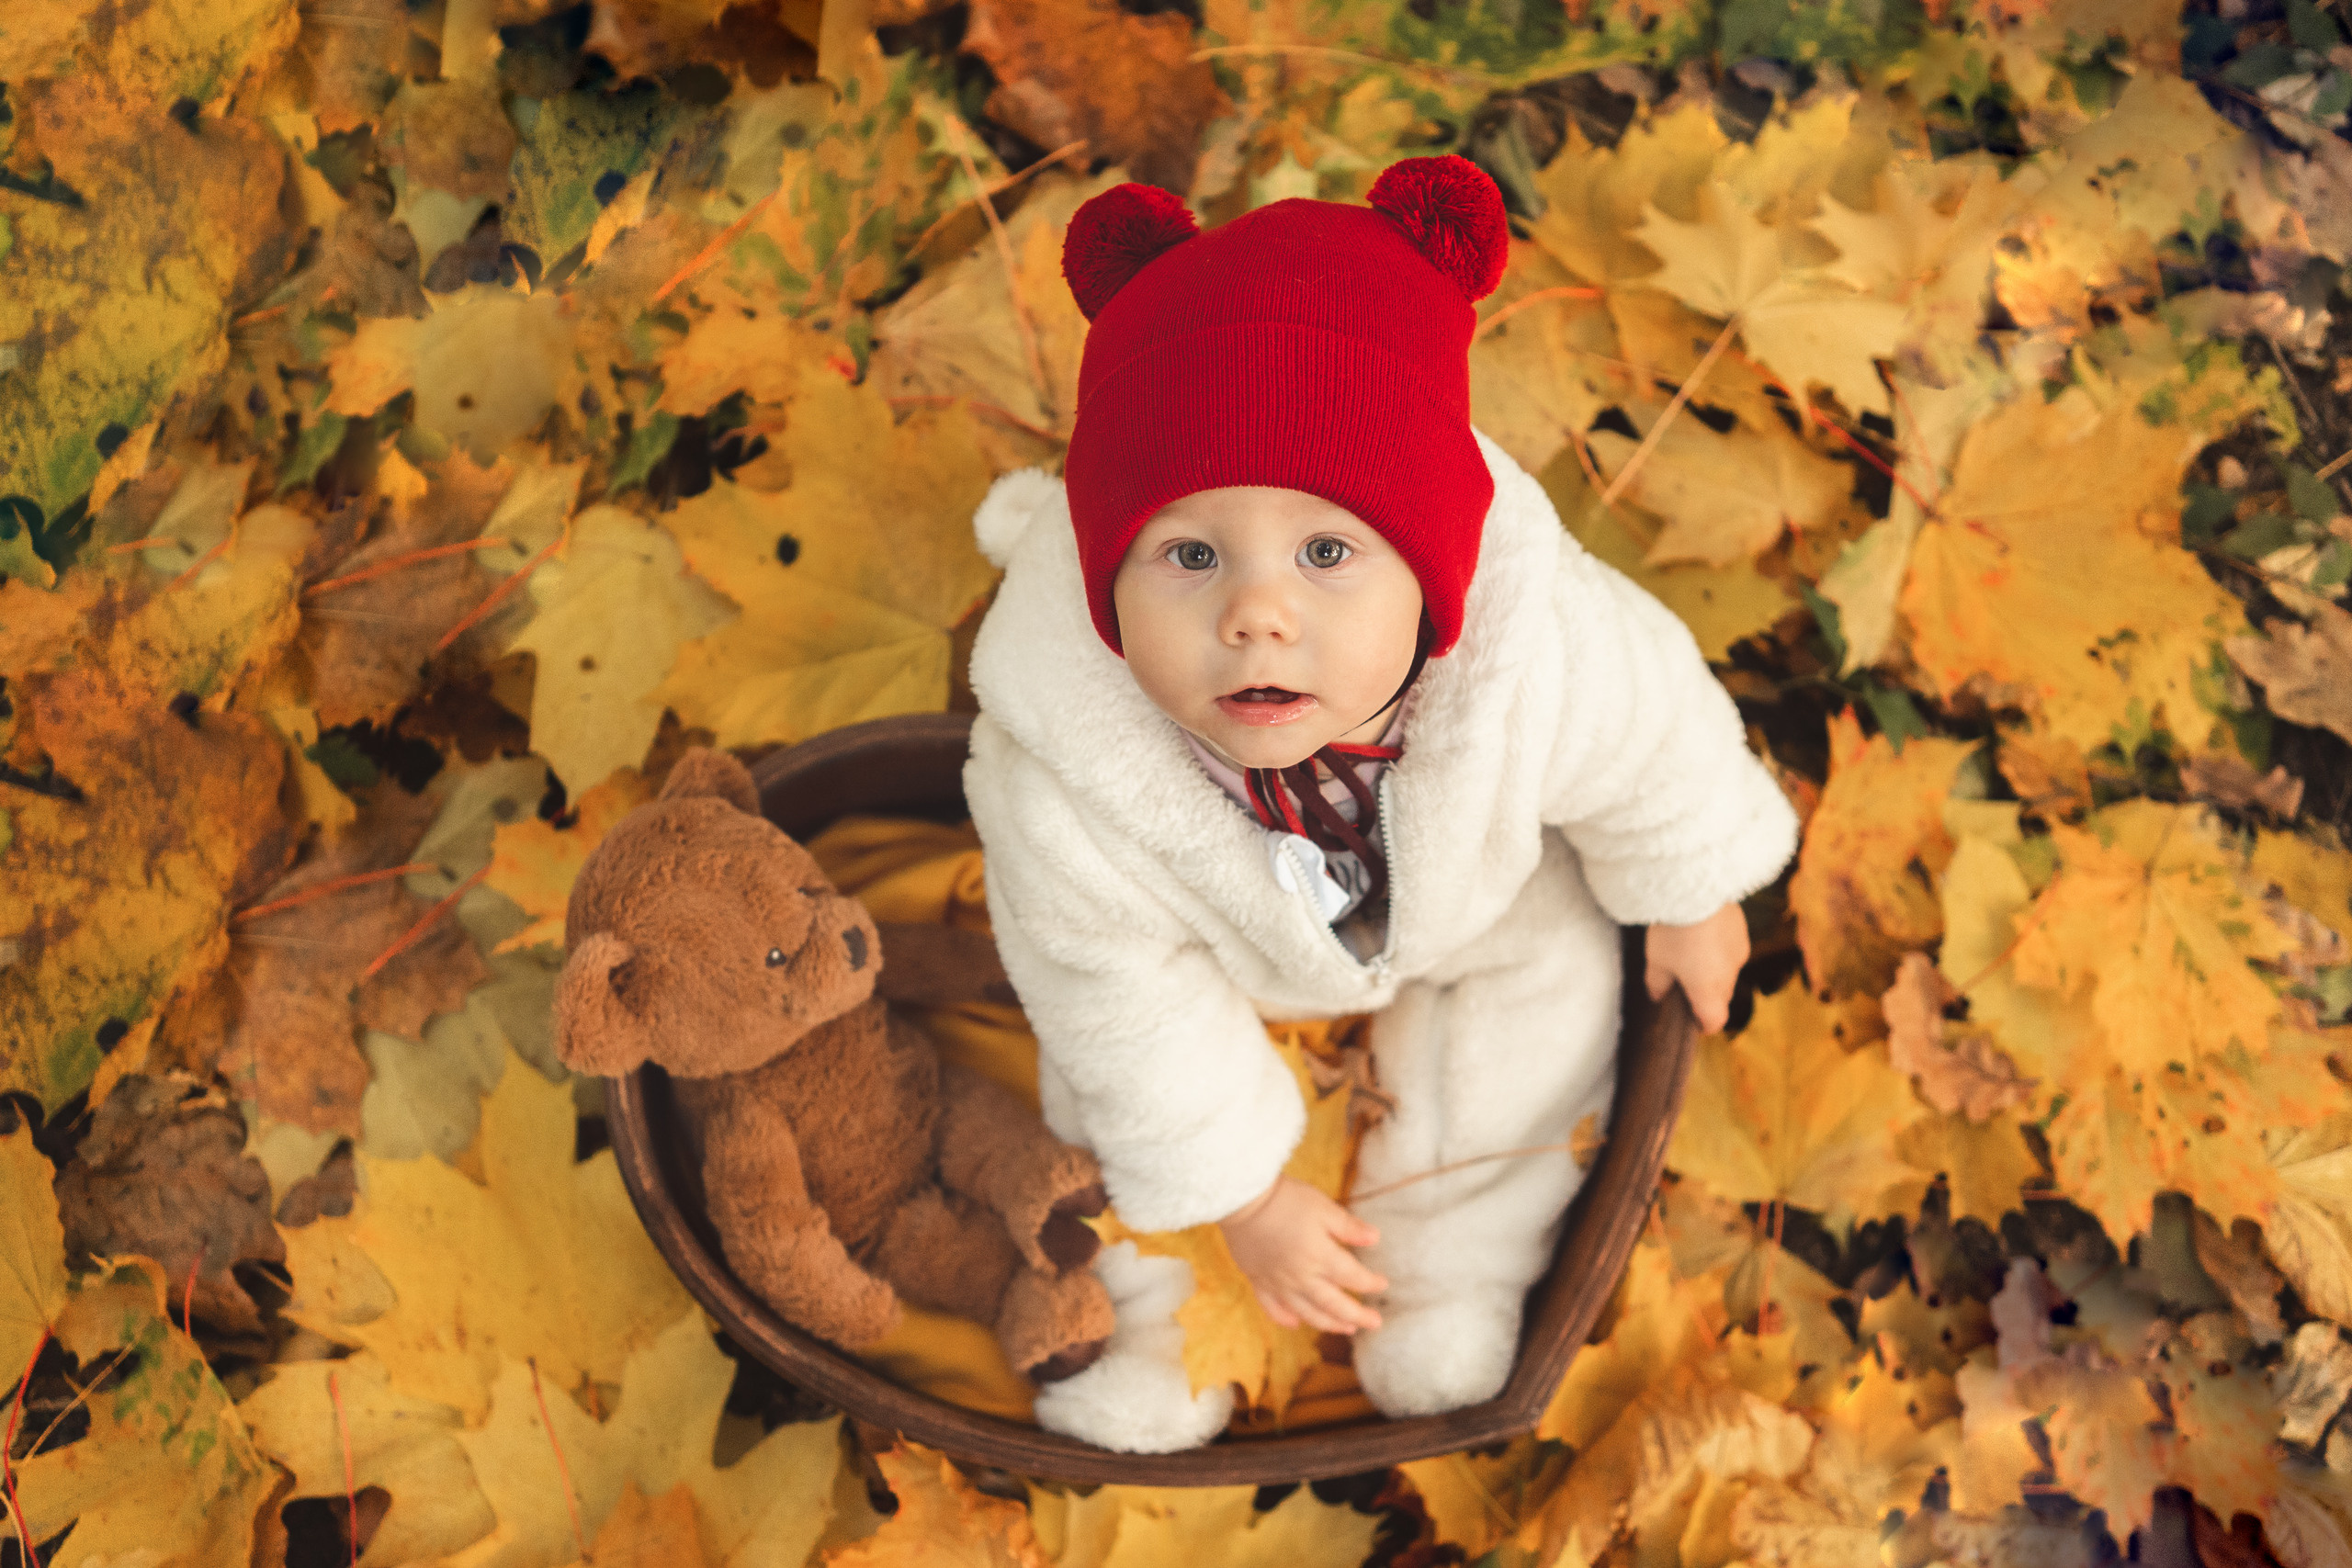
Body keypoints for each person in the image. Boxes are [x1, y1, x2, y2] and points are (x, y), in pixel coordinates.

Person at [958, 154, 1801, 1453]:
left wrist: (1692, 882)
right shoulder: (1063, 763)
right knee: (1103, 1068)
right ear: (1102, 579)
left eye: (1327, 551)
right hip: (1214, 962)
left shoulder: (1531, 646)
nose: (1256, 612)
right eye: (1189, 555)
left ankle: (1451, 1269)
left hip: (1470, 911)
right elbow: (1110, 987)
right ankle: (1163, 1321)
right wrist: (1242, 1196)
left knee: (1560, 984)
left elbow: (1652, 728)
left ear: (1434, 567)